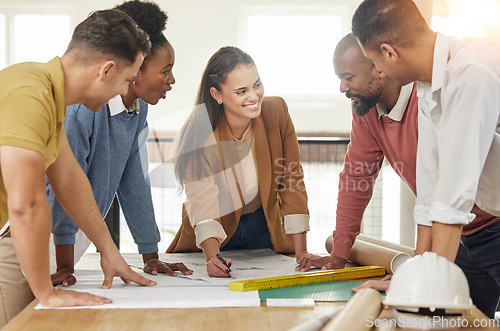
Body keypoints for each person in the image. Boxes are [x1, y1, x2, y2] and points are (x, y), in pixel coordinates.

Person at [297, 33, 500, 318]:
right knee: (456, 322)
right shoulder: (364, 109)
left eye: (348, 77)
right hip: (461, 238)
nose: (342, 87)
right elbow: (357, 178)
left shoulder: (433, 95)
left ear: (378, 69)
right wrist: (339, 253)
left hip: (488, 224)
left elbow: (445, 190)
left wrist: (419, 272)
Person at [0, 9, 157, 327]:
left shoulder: (46, 92)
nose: (125, 90)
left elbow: (69, 178)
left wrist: (108, 250)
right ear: (107, 70)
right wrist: (47, 294)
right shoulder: (31, 95)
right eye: (127, 80)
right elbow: (25, 205)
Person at [350, 0, 500, 318]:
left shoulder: (472, 72)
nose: (378, 72)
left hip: (494, 226)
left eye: (374, 61)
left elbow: (454, 190)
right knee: (458, 320)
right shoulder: (429, 82)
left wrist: (428, 284)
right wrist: (417, 271)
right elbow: (431, 182)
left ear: (390, 52)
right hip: (477, 233)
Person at [47, 0, 192, 289]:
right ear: (136, 70)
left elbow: (134, 181)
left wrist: (150, 255)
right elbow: (62, 187)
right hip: (48, 237)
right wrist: (63, 263)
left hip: (77, 239)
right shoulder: (83, 108)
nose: (171, 80)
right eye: (165, 70)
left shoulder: (137, 111)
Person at [167, 46, 316, 277]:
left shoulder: (276, 112)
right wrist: (212, 257)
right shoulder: (199, 137)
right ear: (217, 95)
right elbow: (202, 202)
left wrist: (302, 252)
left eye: (257, 85)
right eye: (241, 91)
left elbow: (291, 180)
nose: (254, 97)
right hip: (215, 231)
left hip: (263, 225)